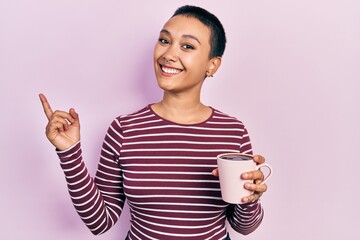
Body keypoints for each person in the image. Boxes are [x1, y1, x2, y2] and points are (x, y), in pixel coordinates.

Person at [39, 5, 268, 240]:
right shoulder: (124, 130)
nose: (168, 54)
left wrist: (250, 197)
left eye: (187, 46)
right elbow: (100, 221)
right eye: (164, 40)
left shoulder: (232, 131)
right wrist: (69, 154)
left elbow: (244, 227)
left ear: (212, 65)